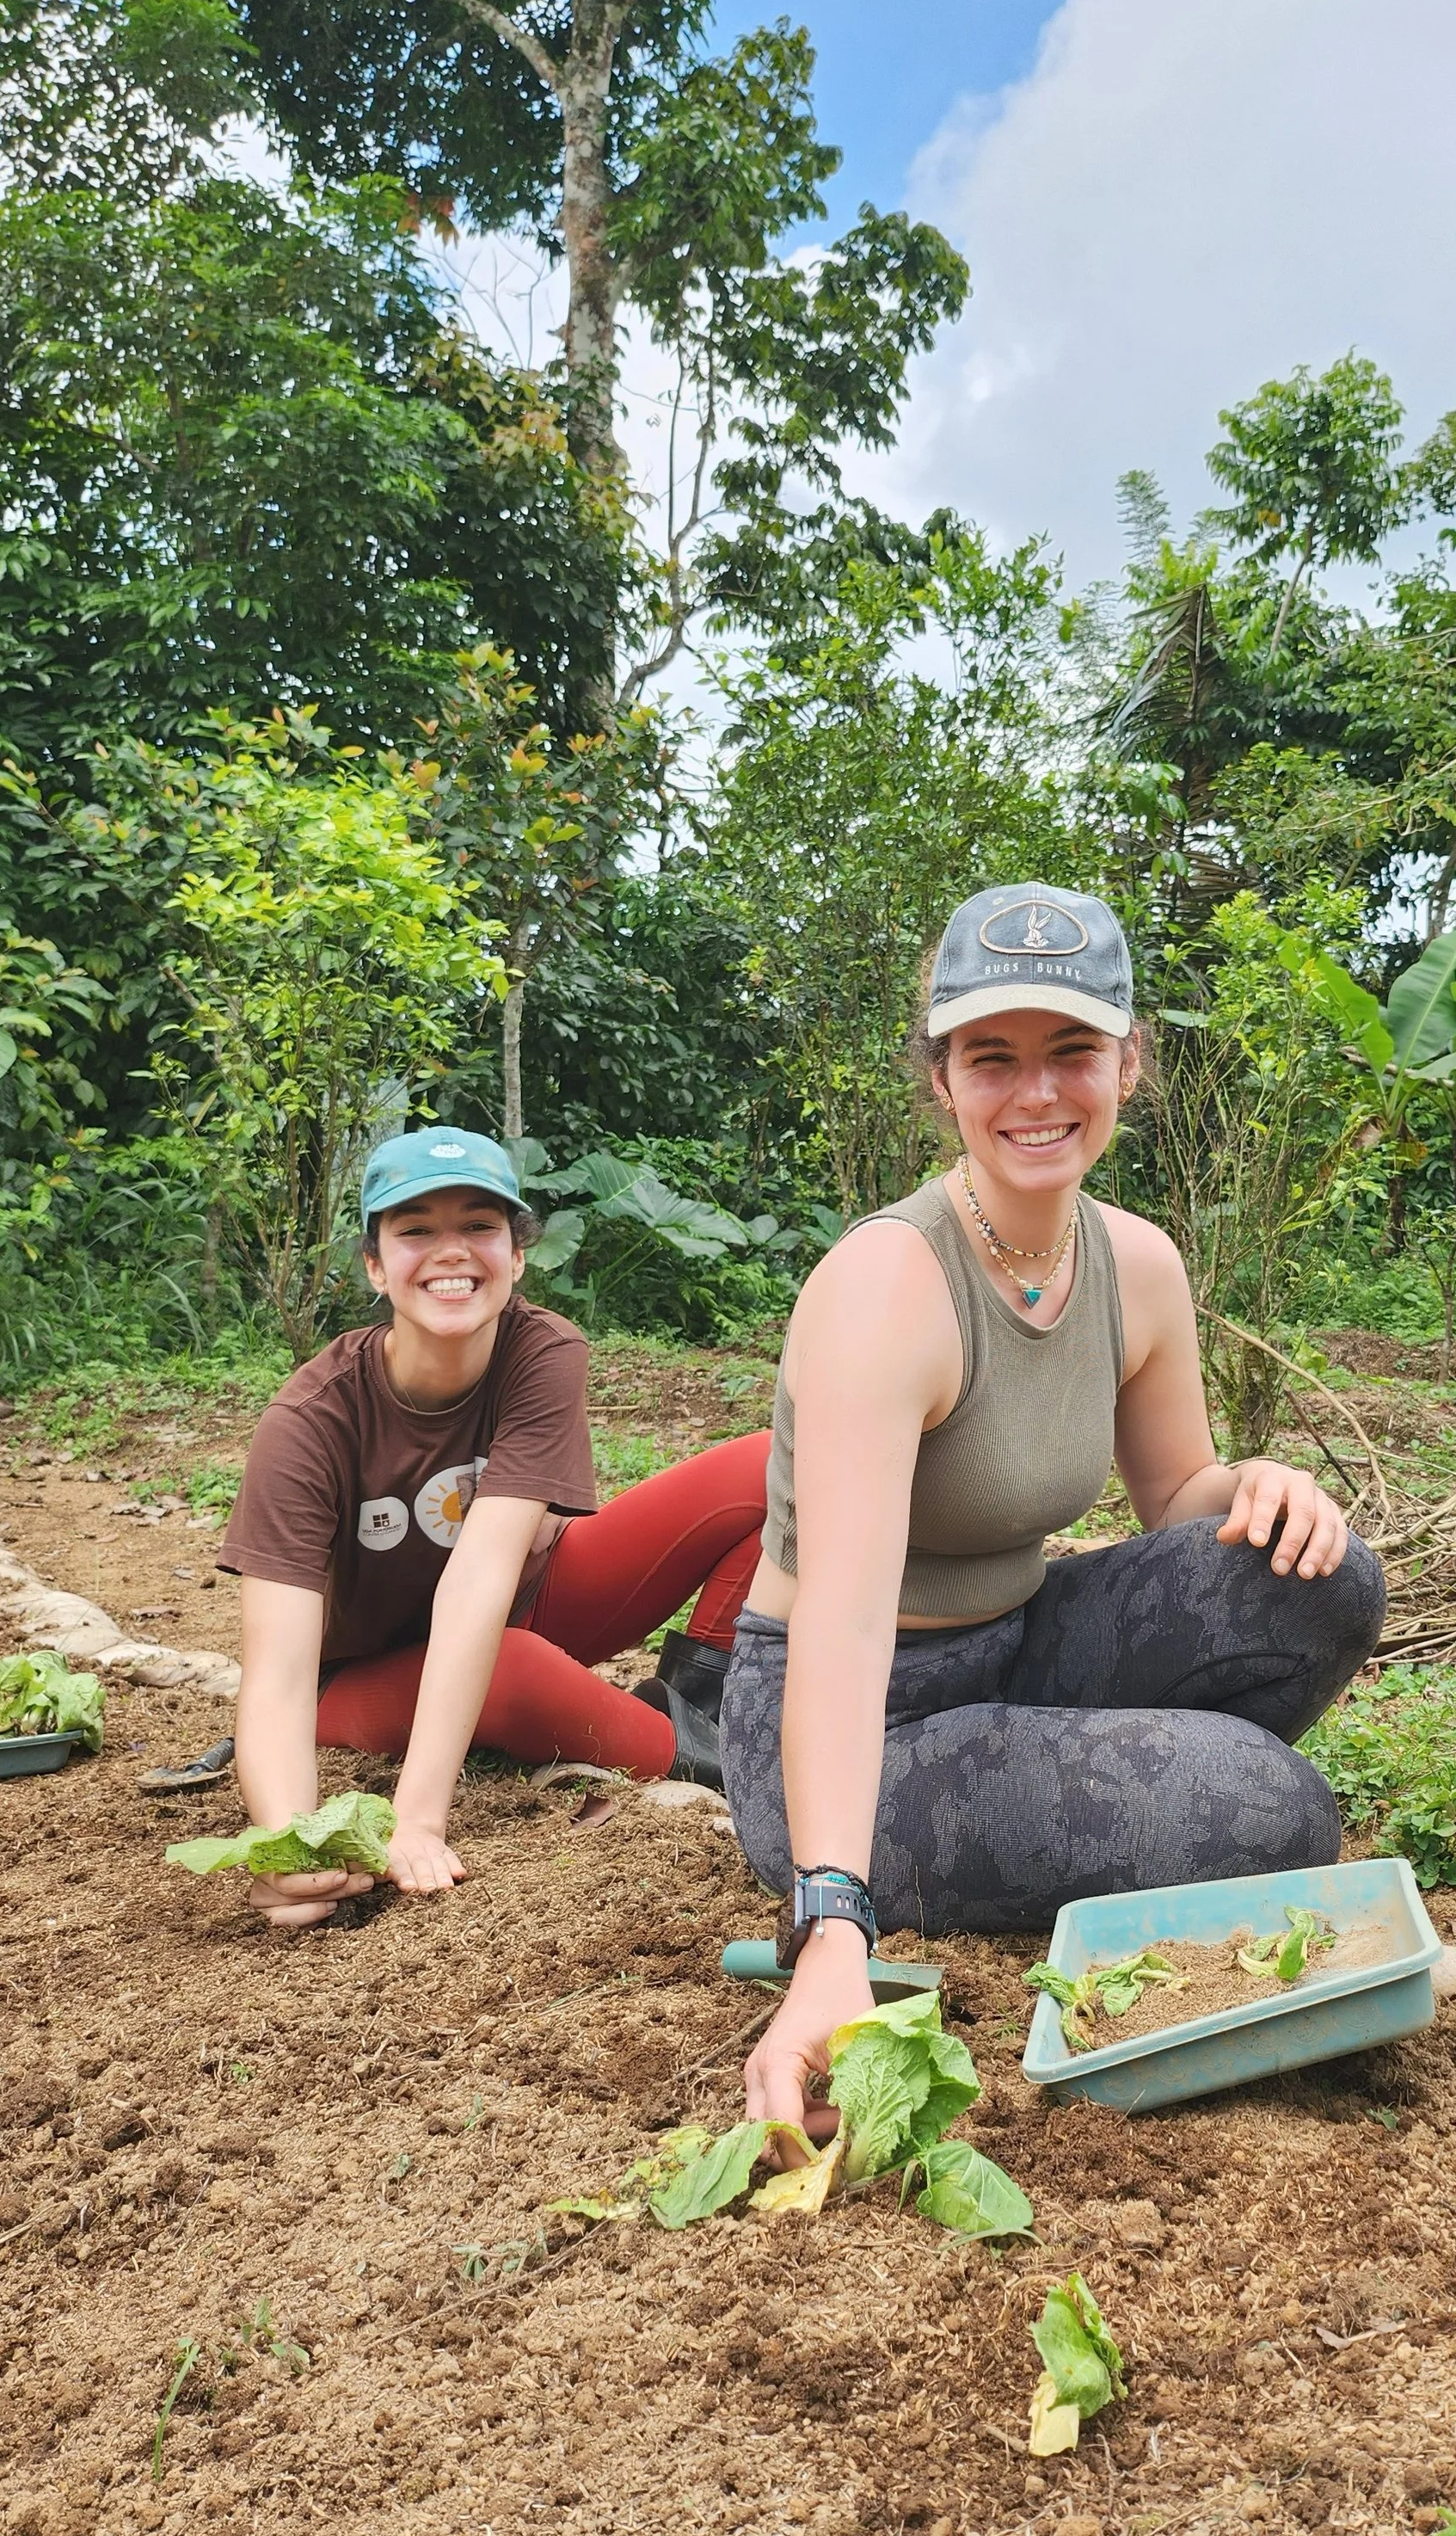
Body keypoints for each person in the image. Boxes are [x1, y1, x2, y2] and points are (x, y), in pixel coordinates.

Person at [730, 883, 1386, 2133]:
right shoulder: (888, 1286)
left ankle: (1118, 1819)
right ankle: (1150, 1824)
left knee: (1326, 1579)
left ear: (1129, 1062)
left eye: (1072, 1051)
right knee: (1277, 1811)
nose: (1037, 1094)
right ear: (942, 1080)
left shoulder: (1135, 1262)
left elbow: (1181, 1502)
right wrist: (828, 1928)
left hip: (1016, 1647)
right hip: (852, 1725)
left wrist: (1263, 1484)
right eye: (994, 1058)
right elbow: (845, 1623)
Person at [216, 1128, 767, 1930]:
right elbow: (279, 1677)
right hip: (361, 1679)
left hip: (516, 1601)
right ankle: (711, 1761)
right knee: (511, 1670)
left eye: (480, 1226)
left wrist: (420, 1815)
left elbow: (484, 1577)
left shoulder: (541, 1350)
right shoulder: (310, 1421)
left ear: (516, 1254)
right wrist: (295, 1843)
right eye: (415, 1230)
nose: (452, 1253)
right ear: (374, 1263)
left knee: (765, 1470)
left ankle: (714, 1706)